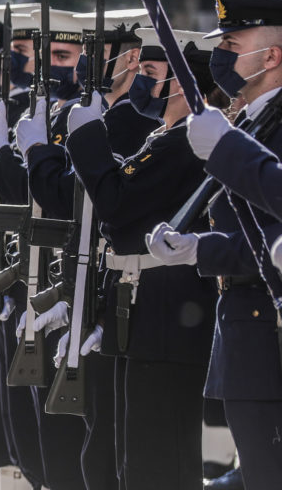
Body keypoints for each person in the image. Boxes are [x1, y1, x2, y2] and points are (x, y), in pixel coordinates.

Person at [66, 28, 219, 489]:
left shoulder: (187, 140)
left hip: (168, 318)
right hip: (144, 312)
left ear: (183, 82)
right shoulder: (163, 136)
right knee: (132, 460)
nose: (141, 81)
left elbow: (116, 205)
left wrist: (87, 135)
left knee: (158, 463)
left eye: (151, 72)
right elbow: (120, 224)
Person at [148, 0, 282, 490]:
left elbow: (273, 239)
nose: (220, 56)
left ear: (271, 56)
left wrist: (203, 250)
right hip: (246, 334)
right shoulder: (249, 119)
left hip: (269, 332)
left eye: (231, 45)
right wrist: (196, 247)